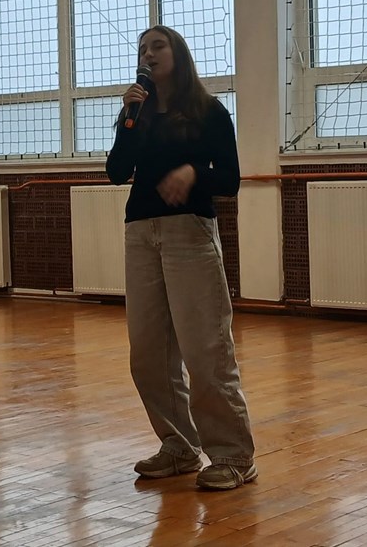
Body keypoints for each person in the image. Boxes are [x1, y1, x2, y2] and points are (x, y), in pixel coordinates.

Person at [105, 25, 256, 490]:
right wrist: (128, 118)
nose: (148, 54)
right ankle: (179, 446)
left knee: (205, 350)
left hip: (189, 232)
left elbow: (229, 179)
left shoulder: (208, 110)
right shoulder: (136, 111)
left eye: (158, 45)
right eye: (142, 49)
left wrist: (193, 173)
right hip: (140, 232)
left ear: (178, 54)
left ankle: (233, 455)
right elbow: (116, 172)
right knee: (148, 354)